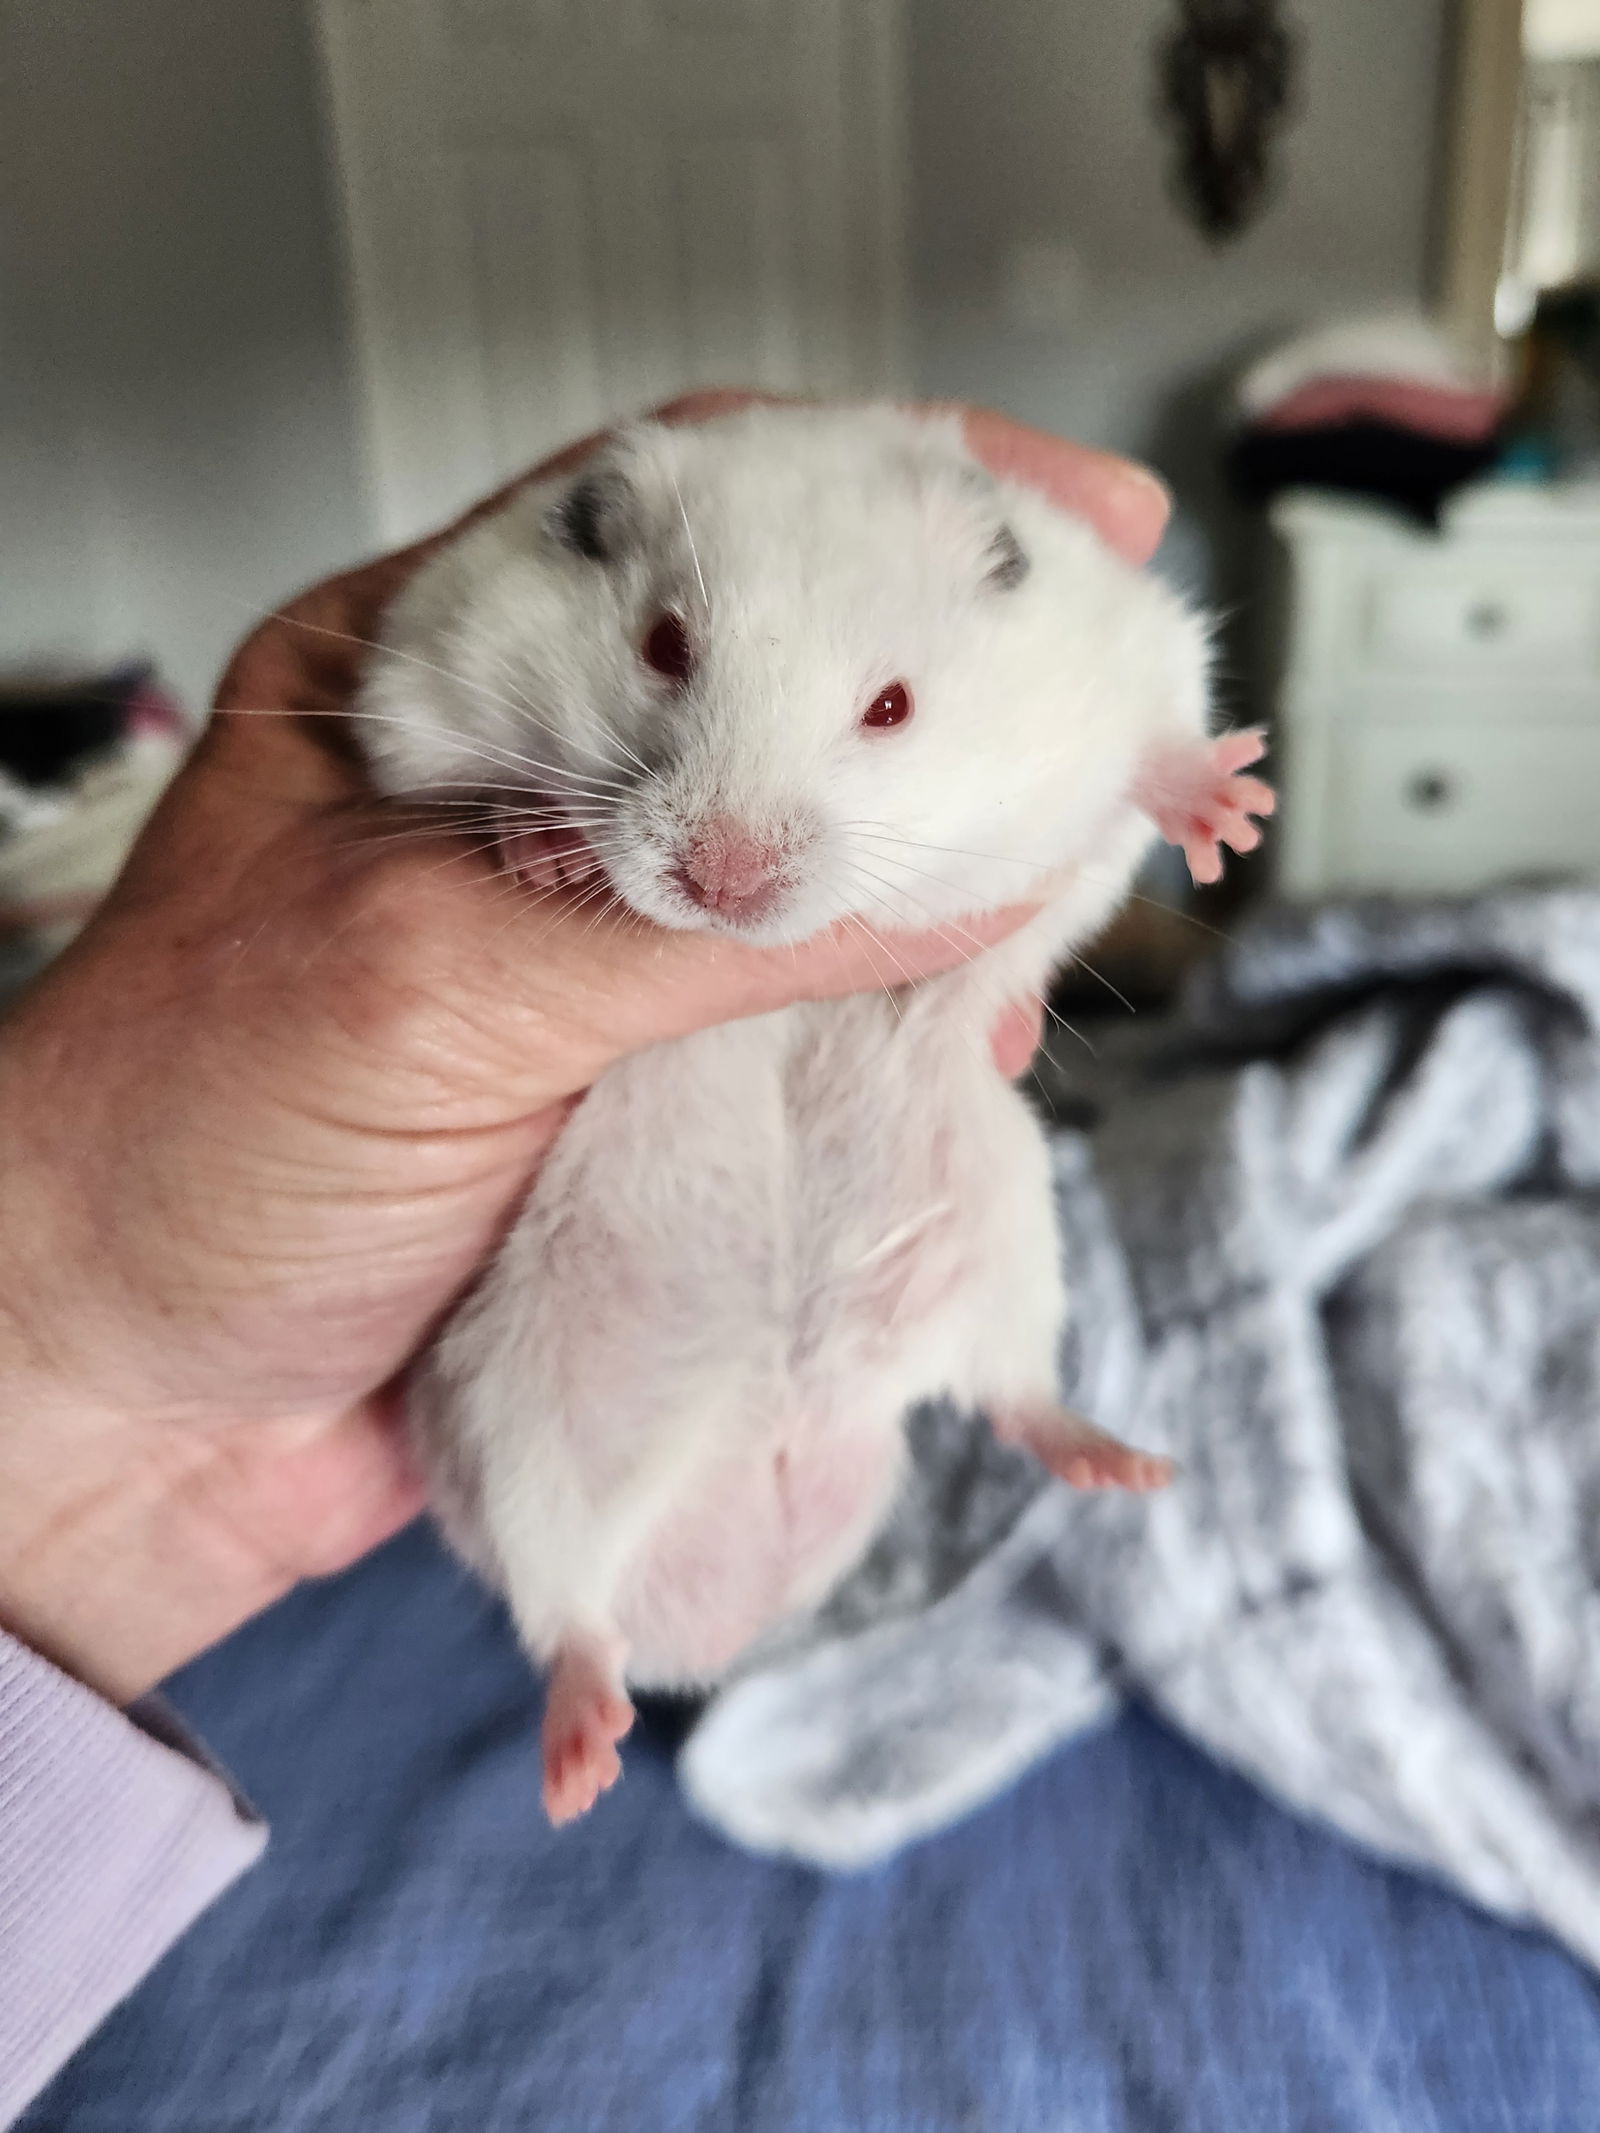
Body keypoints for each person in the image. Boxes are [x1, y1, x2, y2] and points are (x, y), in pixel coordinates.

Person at [0, 394, 1168, 2122]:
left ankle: (1014, 1393)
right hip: (618, 1229)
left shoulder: (1027, 603)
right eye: (671, 658)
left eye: (884, 713)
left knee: (972, 1156)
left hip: (810, 1225)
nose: (734, 857)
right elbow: (407, 708)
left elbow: (1125, 707)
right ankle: (583, 1624)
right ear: (605, 542)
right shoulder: (540, 575)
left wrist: (1163, 774)